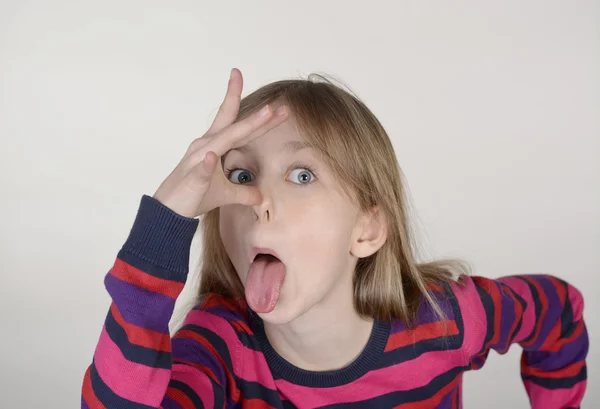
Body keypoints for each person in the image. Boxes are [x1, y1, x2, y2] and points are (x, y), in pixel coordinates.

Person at [80, 68, 588, 409]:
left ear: (366, 230)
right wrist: (165, 220)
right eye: (240, 176)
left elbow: (558, 311)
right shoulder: (220, 350)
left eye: (302, 175)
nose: (259, 198)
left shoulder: (448, 321)